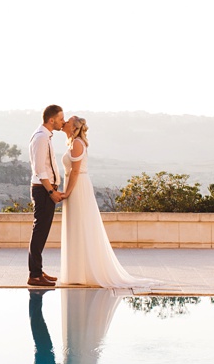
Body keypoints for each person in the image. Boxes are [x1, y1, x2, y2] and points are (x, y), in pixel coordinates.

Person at [56, 115, 160, 289]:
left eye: (68, 121)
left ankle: (84, 272)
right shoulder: (74, 143)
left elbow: (74, 172)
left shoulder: (77, 144)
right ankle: (77, 272)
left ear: (73, 128)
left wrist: (67, 192)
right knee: (76, 226)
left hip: (77, 187)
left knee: (81, 226)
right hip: (75, 185)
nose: (64, 122)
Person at [26, 104, 67, 287]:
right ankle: (34, 275)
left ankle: (38, 270)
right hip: (43, 191)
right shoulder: (41, 137)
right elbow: (39, 169)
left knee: (41, 233)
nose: (62, 122)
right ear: (51, 120)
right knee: (39, 232)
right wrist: (51, 191)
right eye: (60, 119)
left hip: (46, 189)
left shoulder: (45, 136)